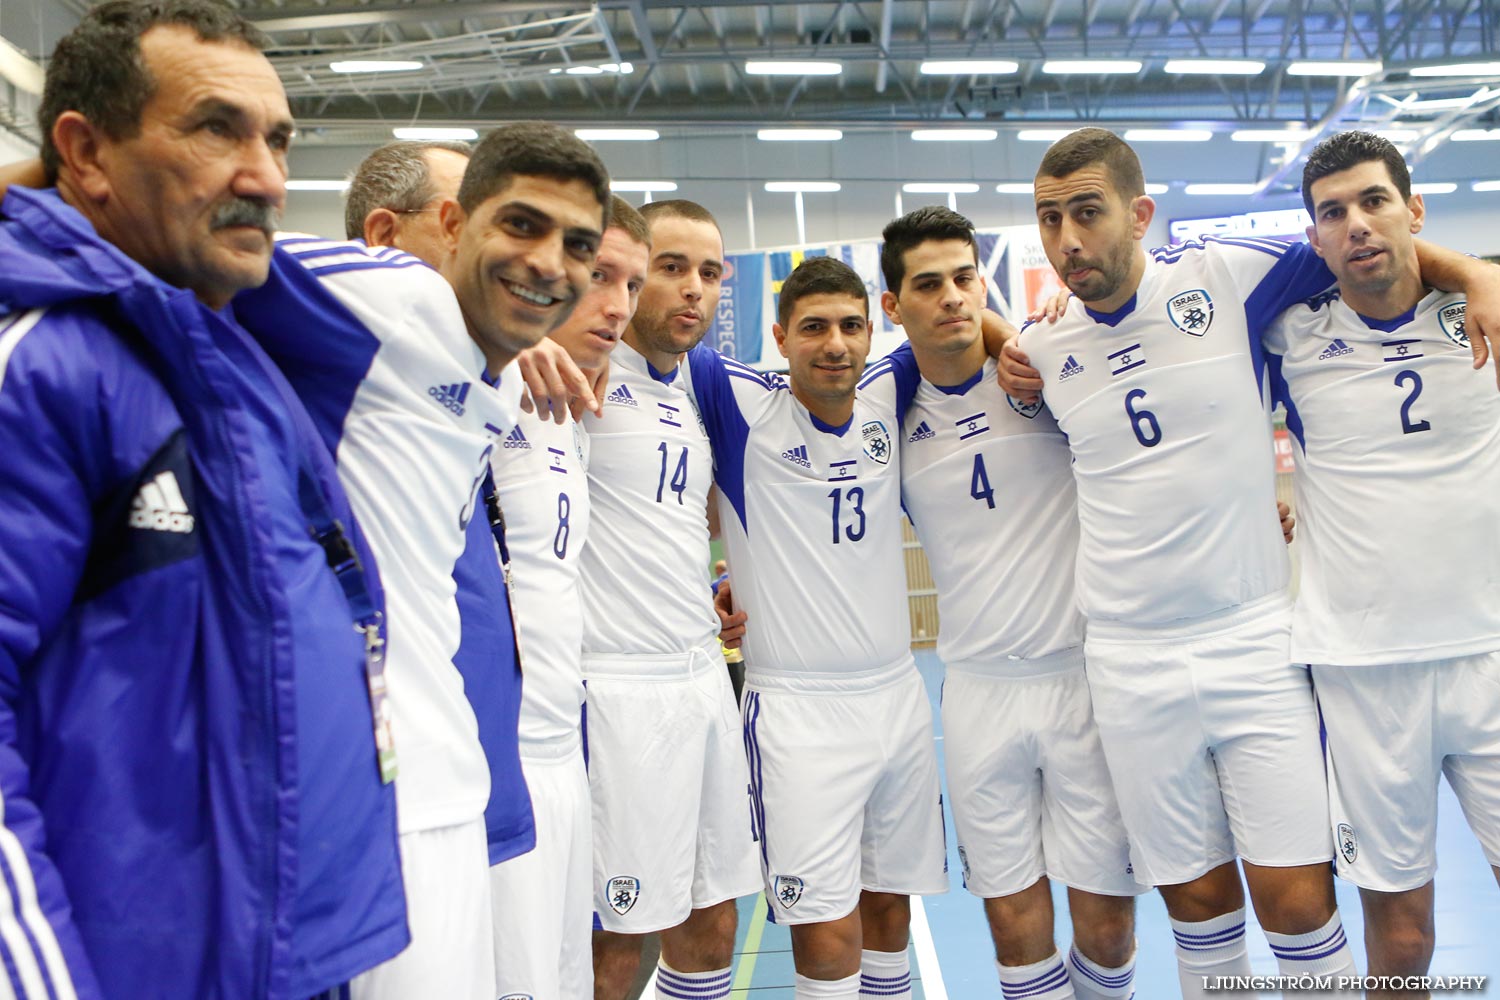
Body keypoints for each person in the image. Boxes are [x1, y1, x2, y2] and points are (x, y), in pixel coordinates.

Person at [1005, 127, 1499, 999]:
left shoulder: (1228, 276)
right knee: (1196, 904)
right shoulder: (1039, 353)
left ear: (1140, 214)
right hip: (1129, 660)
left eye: (1088, 212)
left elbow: (1373, 248)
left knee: (1300, 903)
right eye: (1049, 220)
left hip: (1256, 639)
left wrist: (1482, 271)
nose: (1068, 239)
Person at [0, 1, 408, 996]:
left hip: (284, 959)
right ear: (86, 154)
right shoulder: (42, 365)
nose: (266, 176)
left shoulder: (228, 357)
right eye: (216, 129)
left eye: (276, 139)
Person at [232, 122, 611, 998]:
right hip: (371, 785)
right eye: (520, 227)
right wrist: (82, 163)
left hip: (449, 772)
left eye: (576, 247)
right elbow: (179, 240)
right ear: (453, 223)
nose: (550, 262)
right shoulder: (393, 293)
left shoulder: (501, 361)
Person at [868, 205, 1143, 1000]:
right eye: (929, 285)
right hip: (980, 693)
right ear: (893, 307)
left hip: (1081, 679)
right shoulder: (885, 409)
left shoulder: (1043, 370)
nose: (953, 297)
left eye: (965, 278)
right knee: (1015, 925)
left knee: (1107, 926)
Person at [1265, 130, 1500, 1000]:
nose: (1357, 224)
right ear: (1314, 238)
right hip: (1365, 676)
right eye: (1333, 212)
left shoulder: (1486, 308)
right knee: (1401, 936)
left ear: (1415, 211)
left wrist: (1481, 273)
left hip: (1490, 653)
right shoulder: (1286, 335)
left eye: (1375, 202)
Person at [685, 254, 948, 1000]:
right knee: (826, 928)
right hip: (797, 712)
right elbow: (655, 323)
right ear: (779, 335)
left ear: (872, 330)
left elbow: (961, 332)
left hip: (896, 700)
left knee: (890, 908)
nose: (835, 343)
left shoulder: (890, 390)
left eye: (850, 326)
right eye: (814, 328)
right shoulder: (737, 402)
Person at [580, 199, 760, 1000]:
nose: (693, 289)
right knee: (618, 941)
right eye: (672, 267)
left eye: (710, 273)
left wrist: (719, 580)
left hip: (699, 678)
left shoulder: (699, 379)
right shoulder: (568, 369)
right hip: (615, 688)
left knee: (710, 921)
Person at [486, 194, 651, 1000]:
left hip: (564, 752)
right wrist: (501, 357)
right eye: (600, 276)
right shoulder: (477, 384)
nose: (617, 306)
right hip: (493, 759)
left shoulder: (578, 410)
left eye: (632, 285)